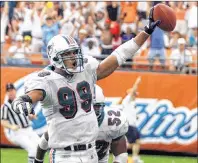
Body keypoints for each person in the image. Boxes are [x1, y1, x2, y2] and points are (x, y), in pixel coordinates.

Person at [11, 7, 160, 163]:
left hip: (90, 153)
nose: (74, 57)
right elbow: (33, 94)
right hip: (64, 155)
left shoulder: (86, 70)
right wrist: (23, 101)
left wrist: (145, 33)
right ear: (55, 57)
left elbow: (119, 56)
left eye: (75, 52)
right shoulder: (45, 79)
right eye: (68, 54)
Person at [33, 84, 129, 163]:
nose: (91, 112)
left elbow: (121, 155)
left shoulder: (112, 121)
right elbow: (45, 139)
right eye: (87, 107)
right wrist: (38, 160)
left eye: (96, 107)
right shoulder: (67, 119)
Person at [0, 83, 40, 163]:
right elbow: (3, 121)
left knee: (40, 147)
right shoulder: (5, 106)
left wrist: (32, 116)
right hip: (18, 132)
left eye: (12, 90)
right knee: (32, 149)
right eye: (9, 91)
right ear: (7, 93)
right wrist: (11, 126)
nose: (11, 92)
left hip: (29, 129)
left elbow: (30, 114)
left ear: (15, 90)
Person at [121, 77, 143, 163]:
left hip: (132, 124)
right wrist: (137, 83)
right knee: (131, 143)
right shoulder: (127, 99)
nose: (135, 96)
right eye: (134, 94)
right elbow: (133, 90)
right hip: (129, 124)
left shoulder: (131, 103)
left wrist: (136, 117)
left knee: (137, 141)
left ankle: (135, 158)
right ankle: (120, 154)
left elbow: (131, 113)